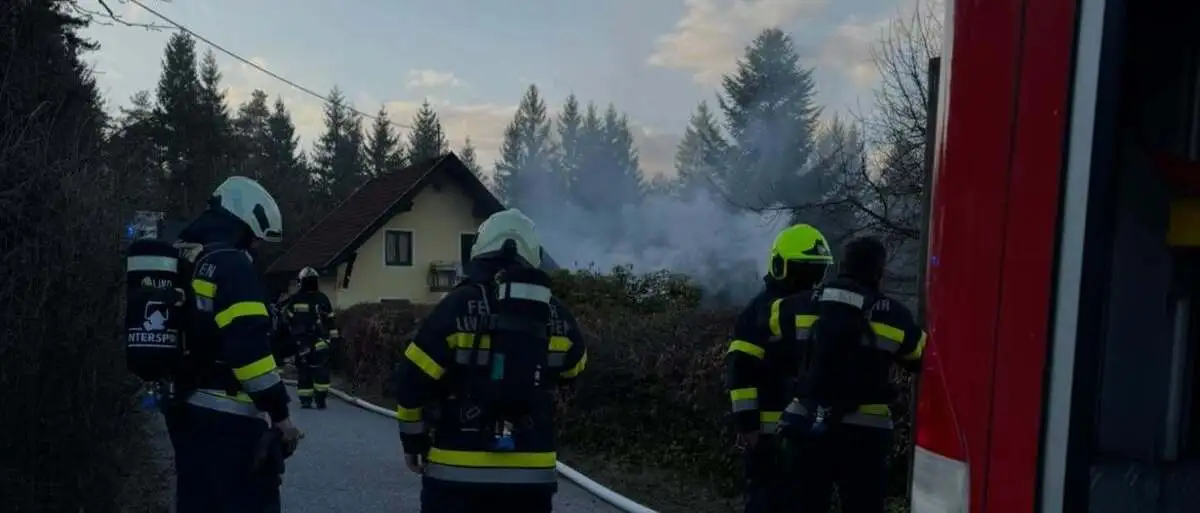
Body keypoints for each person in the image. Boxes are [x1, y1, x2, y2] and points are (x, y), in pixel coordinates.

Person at [394, 208, 588, 513]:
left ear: (480, 249)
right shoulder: (555, 312)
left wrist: (413, 444)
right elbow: (575, 367)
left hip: (455, 473)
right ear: (533, 254)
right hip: (532, 475)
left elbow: (410, 381)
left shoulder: (457, 306)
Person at [171, 176, 303, 513]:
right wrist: (281, 415)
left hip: (188, 411)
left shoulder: (191, 260)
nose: (256, 248)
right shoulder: (232, 265)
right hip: (231, 424)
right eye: (256, 239)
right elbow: (248, 352)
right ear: (244, 221)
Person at [774, 236, 926, 513]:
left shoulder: (794, 306)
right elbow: (918, 357)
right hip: (865, 435)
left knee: (803, 504)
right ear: (879, 271)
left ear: (841, 265)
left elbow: (777, 344)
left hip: (806, 422)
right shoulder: (895, 315)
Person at [725, 223, 834, 513]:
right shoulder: (760, 311)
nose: (810, 280)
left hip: (814, 433)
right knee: (768, 502)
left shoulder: (825, 310)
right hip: (770, 437)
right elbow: (741, 372)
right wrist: (749, 427)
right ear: (779, 266)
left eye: (817, 271)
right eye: (803, 270)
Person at [282, 266, 338, 409]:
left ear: (301, 282)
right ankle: (320, 400)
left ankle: (306, 400)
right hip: (321, 342)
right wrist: (335, 341)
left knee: (304, 372)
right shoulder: (323, 298)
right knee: (321, 372)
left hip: (302, 343)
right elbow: (331, 322)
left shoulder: (294, 299)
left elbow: (286, 321)